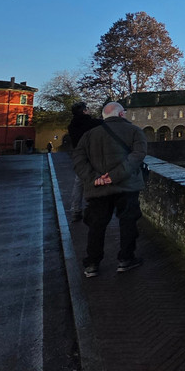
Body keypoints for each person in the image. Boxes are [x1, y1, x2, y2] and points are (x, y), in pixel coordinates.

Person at [73, 101, 147, 277]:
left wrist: (95, 178)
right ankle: (126, 259)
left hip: (98, 189)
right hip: (126, 186)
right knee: (128, 222)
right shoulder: (135, 131)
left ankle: (92, 264)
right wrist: (114, 176)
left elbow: (78, 160)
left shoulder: (89, 135)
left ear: (103, 117)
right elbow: (137, 156)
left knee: (96, 226)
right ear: (121, 114)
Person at [66, 102, 103, 221]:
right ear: (83, 111)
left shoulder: (72, 126)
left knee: (79, 182)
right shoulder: (93, 124)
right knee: (97, 179)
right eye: (87, 108)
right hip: (93, 155)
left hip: (79, 155)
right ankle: (94, 208)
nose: (88, 110)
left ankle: (76, 209)